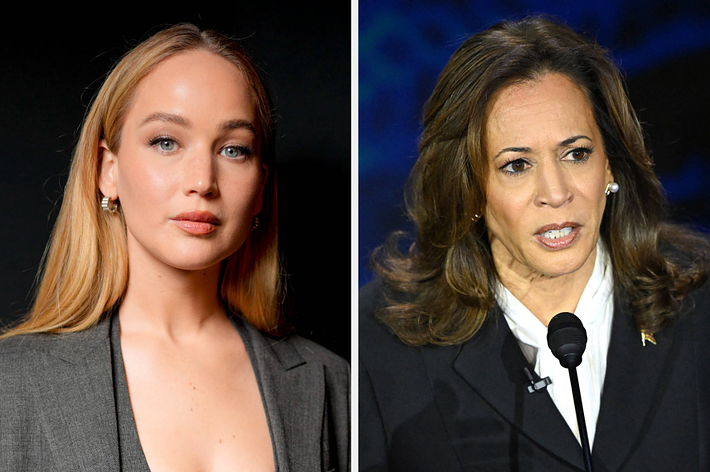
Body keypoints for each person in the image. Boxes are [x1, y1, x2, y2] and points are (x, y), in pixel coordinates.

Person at [359, 16, 710, 472]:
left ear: (610, 165)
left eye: (576, 154)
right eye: (517, 165)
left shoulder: (700, 300)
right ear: (470, 189)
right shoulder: (375, 342)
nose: (557, 191)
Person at [0, 24, 349, 472]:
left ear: (261, 187)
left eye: (233, 150)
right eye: (166, 142)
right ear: (107, 170)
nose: (202, 181)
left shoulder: (331, 382)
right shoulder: (12, 382)